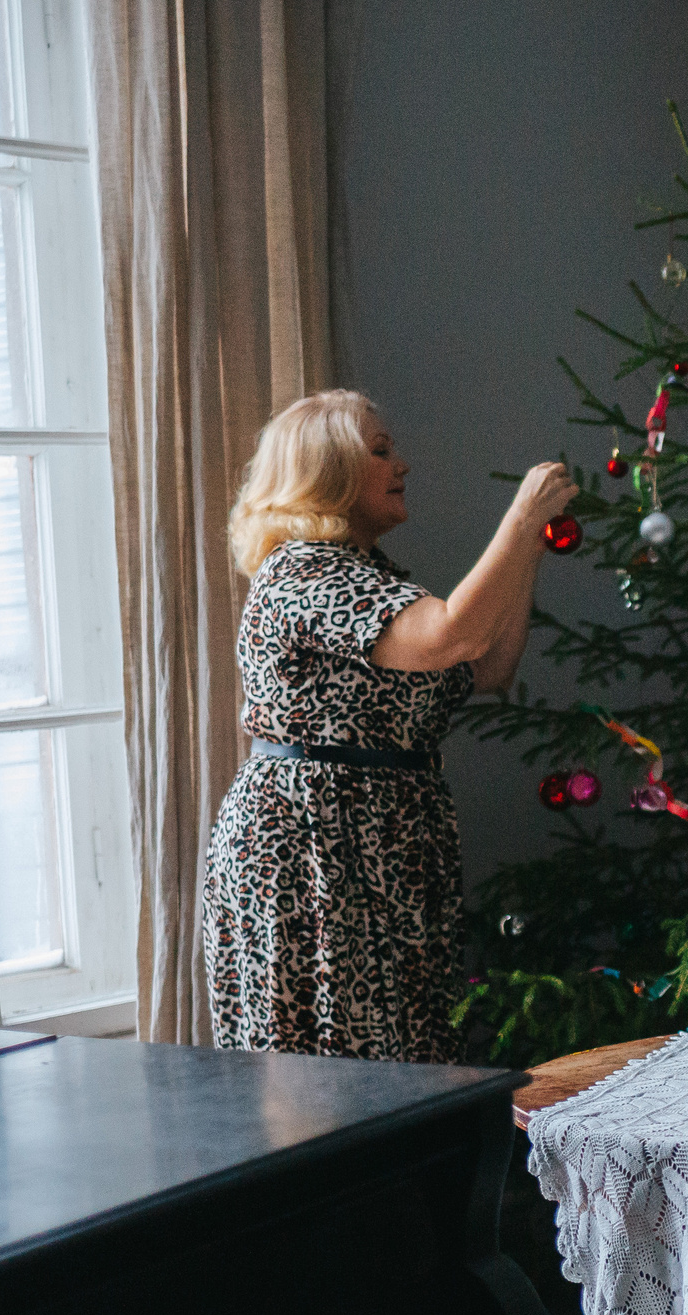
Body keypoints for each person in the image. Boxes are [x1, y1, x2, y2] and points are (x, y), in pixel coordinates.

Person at [202, 389, 576, 1062]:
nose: (401, 464)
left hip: (382, 844)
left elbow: (487, 664)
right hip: (312, 850)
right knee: (322, 1076)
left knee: (395, 1073)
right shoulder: (303, 572)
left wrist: (531, 549)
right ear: (330, 471)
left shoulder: (366, 576)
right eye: (380, 451)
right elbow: (451, 636)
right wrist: (520, 519)